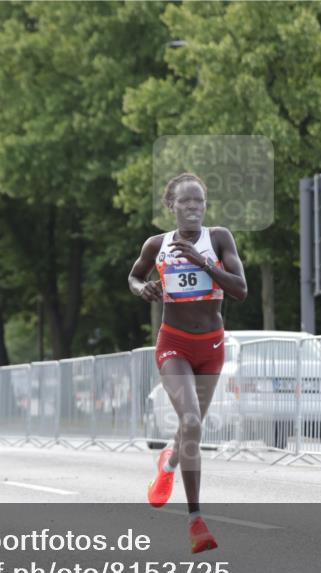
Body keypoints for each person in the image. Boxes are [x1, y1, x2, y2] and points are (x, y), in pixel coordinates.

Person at [128, 172, 248, 553]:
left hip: (211, 347)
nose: (193, 207)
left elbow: (241, 289)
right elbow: (134, 276)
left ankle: (167, 463)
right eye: (185, 201)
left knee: (190, 428)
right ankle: (196, 521)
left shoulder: (219, 238)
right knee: (192, 421)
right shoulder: (157, 245)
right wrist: (143, 288)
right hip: (174, 344)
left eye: (199, 201)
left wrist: (203, 263)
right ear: (171, 206)